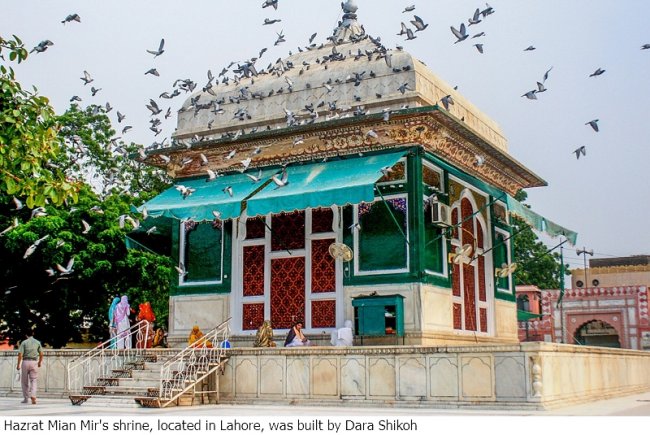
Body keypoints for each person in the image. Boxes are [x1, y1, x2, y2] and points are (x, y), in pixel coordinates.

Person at [16, 329, 43, 405]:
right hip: (34, 362)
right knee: (33, 380)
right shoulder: (37, 342)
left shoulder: (24, 342)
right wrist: (39, 362)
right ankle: (33, 396)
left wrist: (18, 365)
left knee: (24, 381)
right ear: (33, 333)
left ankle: (26, 398)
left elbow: (20, 355)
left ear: (26, 335)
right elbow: (41, 354)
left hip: (25, 362)